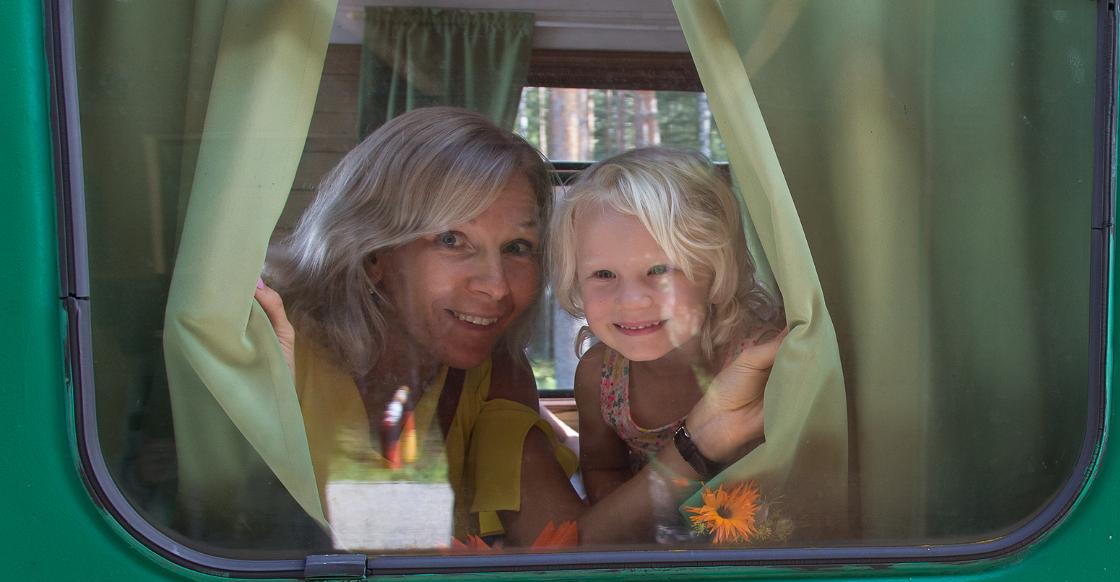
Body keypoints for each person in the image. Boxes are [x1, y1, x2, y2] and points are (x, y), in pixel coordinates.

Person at [259, 108, 777, 549]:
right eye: (451, 240)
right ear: (375, 252)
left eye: (517, 248)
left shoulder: (492, 374)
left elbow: (564, 545)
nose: (496, 286)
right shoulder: (270, 343)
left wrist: (699, 441)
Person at [547, 148, 785, 543]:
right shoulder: (601, 377)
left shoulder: (757, 360)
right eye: (603, 274)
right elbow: (603, 469)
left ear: (714, 270)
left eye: (659, 269)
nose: (631, 299)